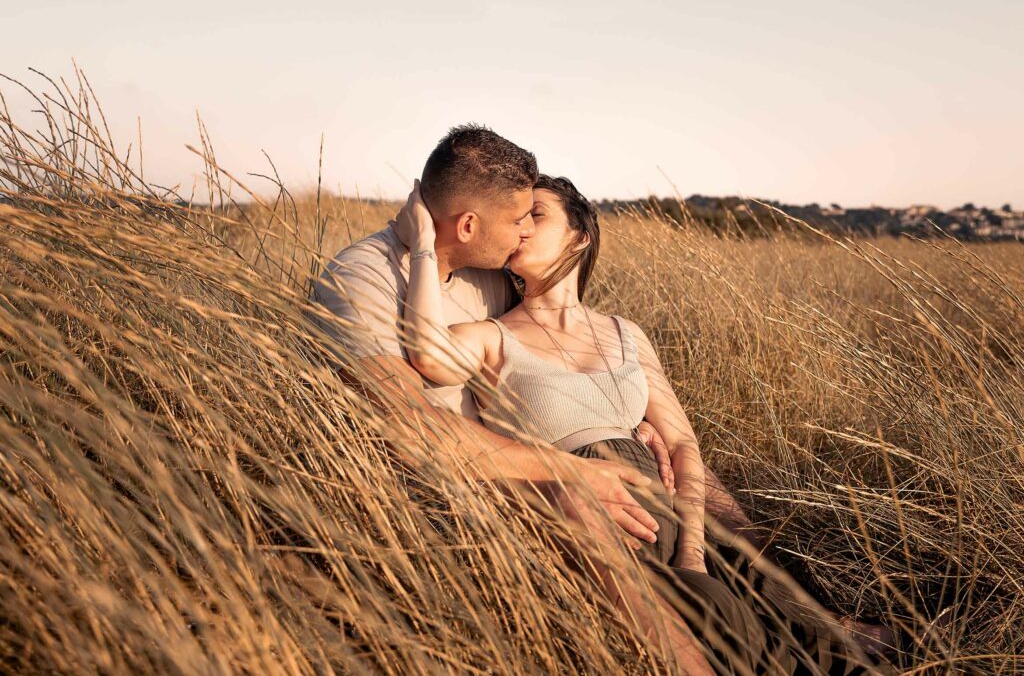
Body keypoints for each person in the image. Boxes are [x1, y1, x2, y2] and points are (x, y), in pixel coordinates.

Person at [311, 125, 888, 673]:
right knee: (657, 558)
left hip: (613, 473)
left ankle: (819, 621)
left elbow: (670, 431)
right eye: (519, 218)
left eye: (534, 216)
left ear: (579, 237)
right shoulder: (381, 279)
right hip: (488, 479)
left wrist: (630, 427)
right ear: (467, 225)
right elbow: (417, 411)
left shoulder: (506, 276)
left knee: (707, 492)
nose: (522, 231)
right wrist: (582, 465)